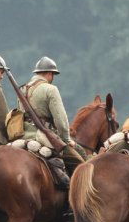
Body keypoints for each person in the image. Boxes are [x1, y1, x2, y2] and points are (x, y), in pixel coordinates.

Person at [18, 56, 85, 188]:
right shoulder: (50, 89)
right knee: (80, 162)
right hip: (43, 136)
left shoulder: (22, 89)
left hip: (23, 134)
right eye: (53, 75)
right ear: (49, 74)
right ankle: (76, 196)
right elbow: (61, 120)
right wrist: (66, 139)